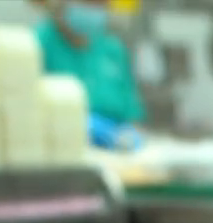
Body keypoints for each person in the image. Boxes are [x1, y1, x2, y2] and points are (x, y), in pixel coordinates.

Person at [33, 0, 145, 150]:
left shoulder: (112, 49)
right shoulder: (37, 45)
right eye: (87, 3)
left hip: (114, 154)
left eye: (100, 5)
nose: (93, 10)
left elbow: (131, 112)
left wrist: (128, 135)